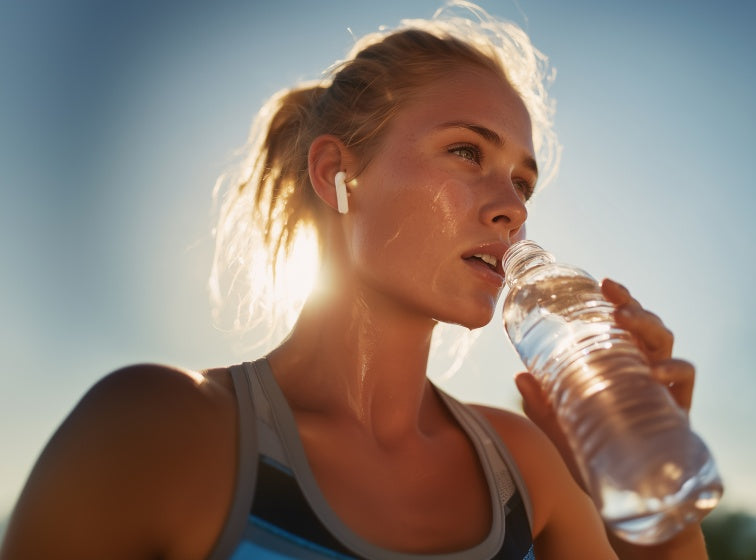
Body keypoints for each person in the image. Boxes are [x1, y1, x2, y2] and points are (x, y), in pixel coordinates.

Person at [0, 3, 708, 559]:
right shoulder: (156, 428)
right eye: (467, 152)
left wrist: (658, 511)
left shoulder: (528, 471)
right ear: (337, 174)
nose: (514, 206)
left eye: (524, 181)